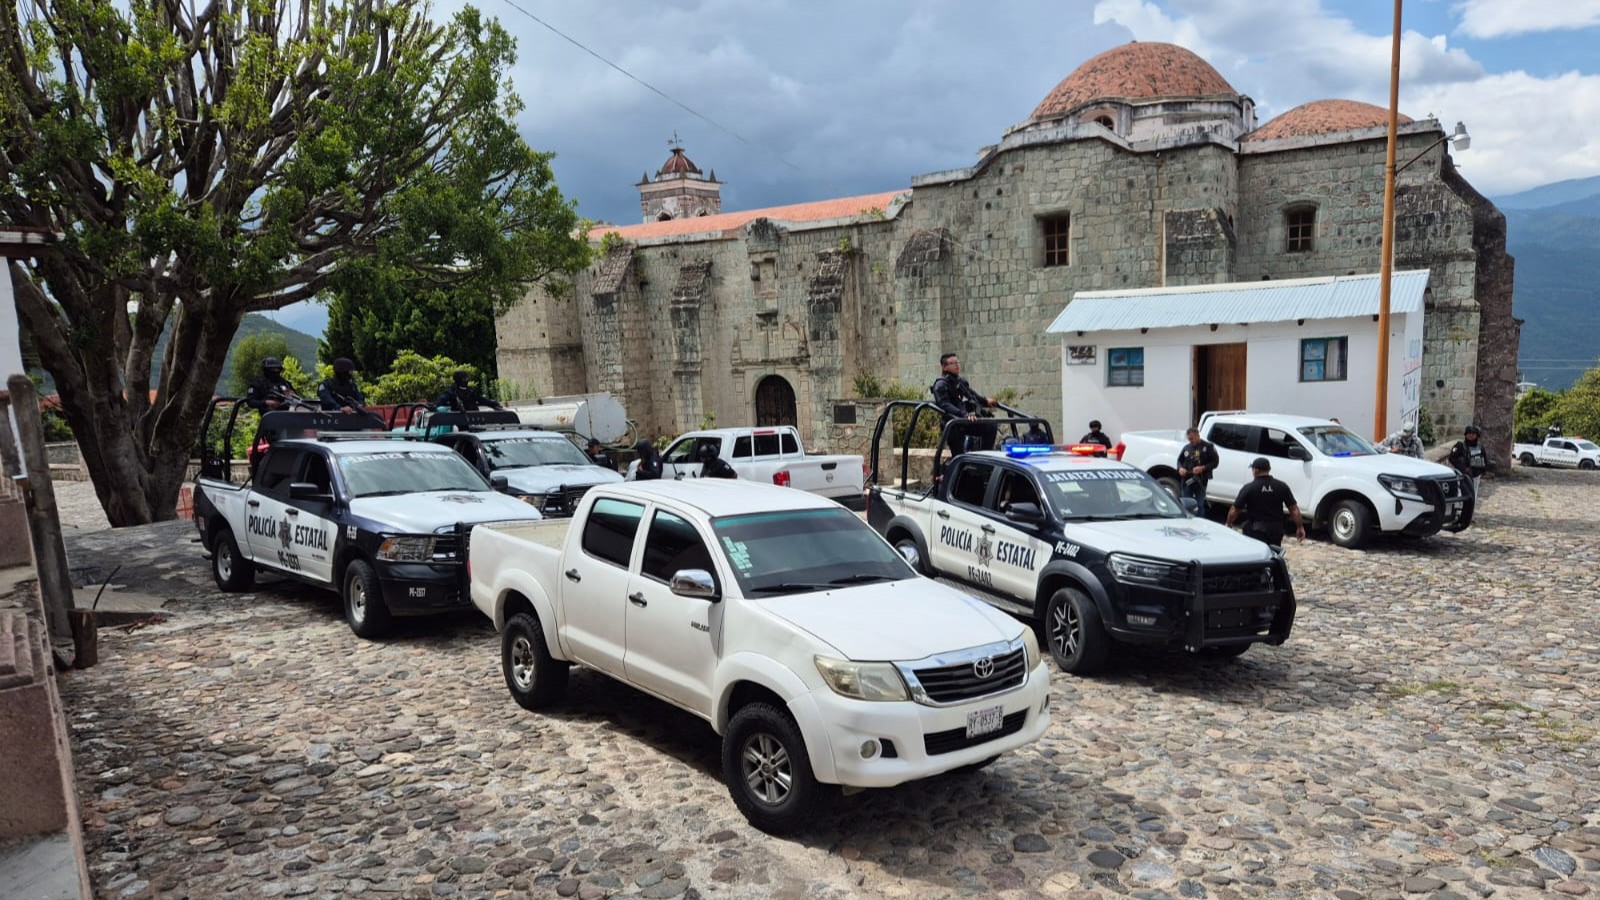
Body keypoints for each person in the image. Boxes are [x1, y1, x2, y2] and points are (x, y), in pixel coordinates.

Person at [1226, 457, 1307, 549]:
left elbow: (1235, 509)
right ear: (1269, 469)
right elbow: (1294, 509)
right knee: (1274, 552)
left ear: (1256, 470)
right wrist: (1300, 527)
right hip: (1276, 530)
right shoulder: (1281, 486)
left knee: (1256, 552)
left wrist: (1229, 523)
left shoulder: (1249, 488)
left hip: (1256, 529)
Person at [931, 353, 997, 455]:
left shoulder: (958, 381)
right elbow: (945, 405)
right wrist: (964, 414)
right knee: (958, 454)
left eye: (957, 362)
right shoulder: (941, 384)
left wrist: (985, 401)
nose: (957, 365)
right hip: (952, 423)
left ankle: (984, 458)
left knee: (990, 426)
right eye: (953, 363)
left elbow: (971, 394)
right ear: (944, 367)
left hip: (963, 420)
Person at [1175, 426, 1219, 508]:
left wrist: (1203, 468)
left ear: (1198, 435)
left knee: (1199, 505)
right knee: (1186, 504)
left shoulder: (1208, 447)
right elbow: (1179, 461)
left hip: (1200, 480)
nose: (1190, 441)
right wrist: (1180, 468)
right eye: (1189, 439)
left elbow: (1215, 462)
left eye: (1192, 438)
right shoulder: (1186, 448)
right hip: (1187, 480)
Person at [1448, 424, 1492, 496]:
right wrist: (1463, 468)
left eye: (1473, 434)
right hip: (1463, 475)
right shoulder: (1459, 445)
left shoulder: (1480, 446)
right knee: (1461, 494)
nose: (1471, 435)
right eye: (1469, 433)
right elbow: (1452, 458)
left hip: (1476, 474)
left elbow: (1484, 458)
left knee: (1473, 494)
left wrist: (1483, 470)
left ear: (1477, 435)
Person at [434, 370, 503, 412]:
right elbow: (440, 401)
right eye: (465, 378)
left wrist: (493, 403)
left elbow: (482, 399)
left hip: (473, 418)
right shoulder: (452, 391)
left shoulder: (471, 391)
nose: (467, 380)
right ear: (460, 379)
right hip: (461, 420)